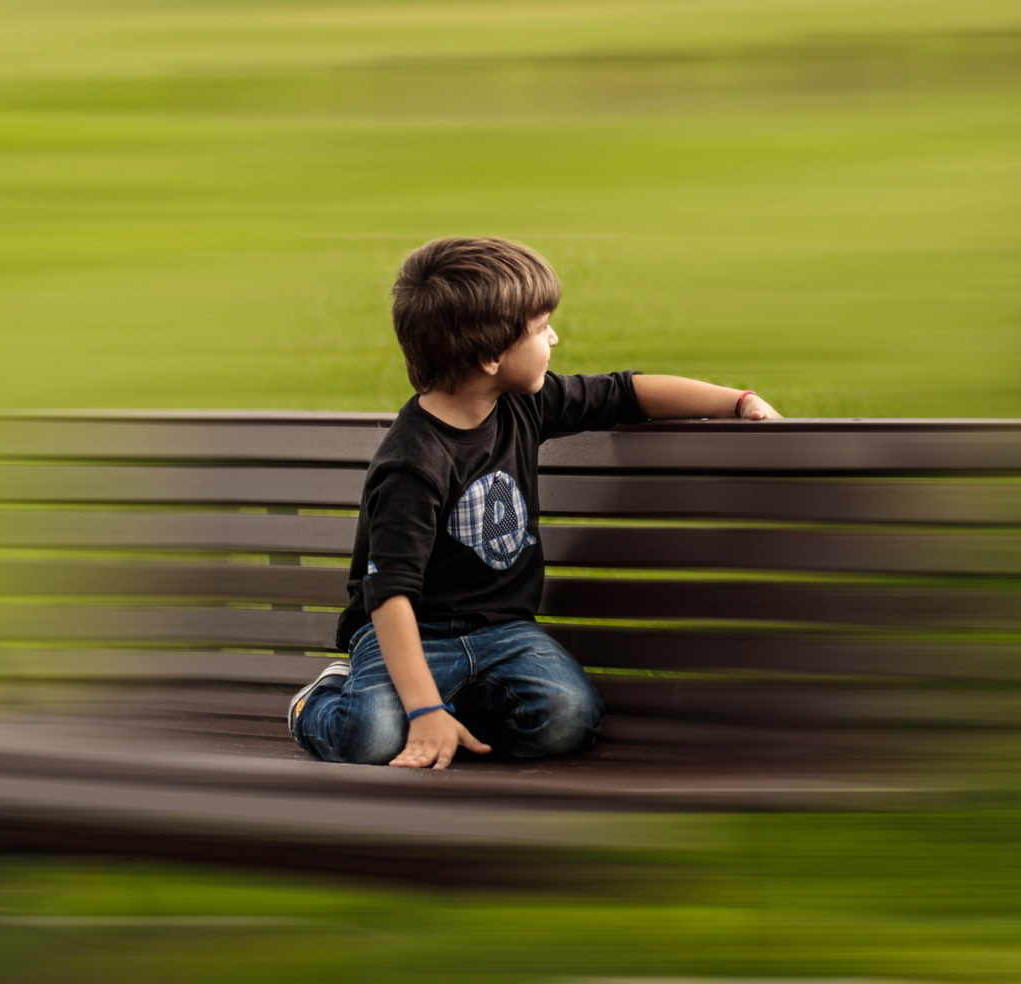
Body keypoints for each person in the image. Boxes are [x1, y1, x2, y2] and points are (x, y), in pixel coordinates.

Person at [288, 237, 781, 770]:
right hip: (412, 636)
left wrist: (738, 400)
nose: (555, 337)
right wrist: (424, 704)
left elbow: (627, 392)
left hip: (503, 632)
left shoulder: (524, 405)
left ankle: (454, 712)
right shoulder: (412, 464)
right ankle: (319, 700)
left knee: (568, 717)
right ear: (491, 356)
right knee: (369, 737)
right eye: (542, 327)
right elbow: (390, 598)